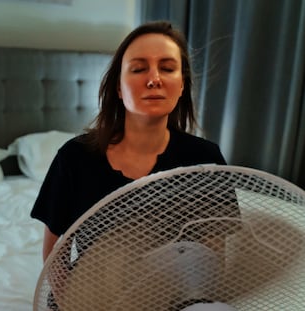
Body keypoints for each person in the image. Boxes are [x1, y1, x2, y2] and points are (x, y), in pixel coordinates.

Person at [31, 20, 240, 311]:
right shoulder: (75, 157)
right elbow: (54, 252)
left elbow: (213, 256)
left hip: (177, 297)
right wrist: (72, 302)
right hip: (95, 295)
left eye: (167, 68)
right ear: (118, 87)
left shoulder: (206, 160)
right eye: (139, 69)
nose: (154, 79)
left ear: (181, 85)